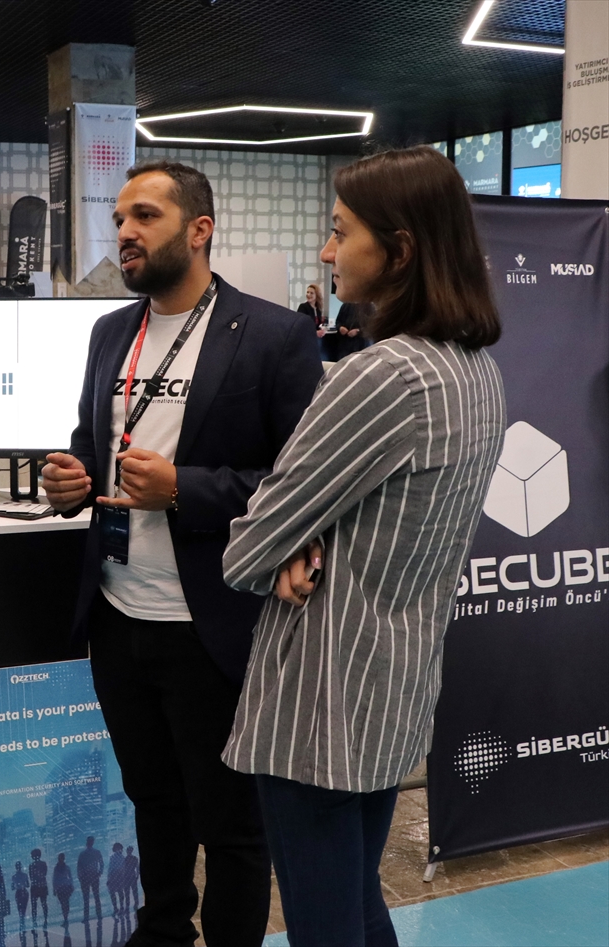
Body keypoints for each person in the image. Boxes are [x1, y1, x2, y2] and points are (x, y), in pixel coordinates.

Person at [221, 146, 505, 946]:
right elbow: (383, 512)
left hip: (320, 700)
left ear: (401, 249)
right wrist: (303, 538)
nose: (326, 251)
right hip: (395, 686)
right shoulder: (475, 371)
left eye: (341, 231)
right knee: (355, 905)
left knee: (327, 923)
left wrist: (287, 543)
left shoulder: (379, 376)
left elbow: (248, 547)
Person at [41, 160, 322, 947]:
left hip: (215, 625)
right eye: (120, 219)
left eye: (145, 216)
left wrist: (184, 489)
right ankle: (162, 931)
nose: (125, 232)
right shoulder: (110, 332)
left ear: (199, 230)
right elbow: (91, 443)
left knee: (231, 825)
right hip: (118, 615)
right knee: (152, 800)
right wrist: (70, 479)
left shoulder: (274, 335)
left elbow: (302, 482)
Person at [76, 836, 103, 922]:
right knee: (96, 896)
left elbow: (79, 867)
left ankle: (86, 917)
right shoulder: (97, 852)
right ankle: (99, 915)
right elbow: (101, 863)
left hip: (85, 878)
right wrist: (99, 873)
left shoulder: (82, 854)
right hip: (94, 876)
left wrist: (80, 877)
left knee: (86, 898)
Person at [28, 848, 49, 928]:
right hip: (42, 885)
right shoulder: (43, 864)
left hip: (35, 887)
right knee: (44, 903)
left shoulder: (31, 866)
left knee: (34, 905)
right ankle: (45, 919)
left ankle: (34, 921)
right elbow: (45, 873)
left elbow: (31, 877)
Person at [53, 853, 74, 925]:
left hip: (61, 887)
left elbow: (54, 879)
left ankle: (65, 918)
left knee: (63, 903)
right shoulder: (66, 867)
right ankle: (66, 918)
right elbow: (70, 878)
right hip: (65, 887)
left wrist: (54, 888)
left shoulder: (57, 868)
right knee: (65, 903)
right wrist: (71, 885)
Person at [107, 842, 125, 917]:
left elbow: (110, 869)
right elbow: (123, 868)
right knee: (119, 892)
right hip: (119, 876)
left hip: (114, 876)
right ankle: (120, 907)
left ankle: (116, 908)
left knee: (113, 892)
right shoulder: (122, 857)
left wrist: (109, 878)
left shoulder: (113, 857)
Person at [12, 860, 30, 927]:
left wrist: (17, 885)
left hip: (18, 892)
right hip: (24, 892)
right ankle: (23, 920)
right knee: (24, 907)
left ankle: (21, 920)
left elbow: (12, 887)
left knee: (19, 907)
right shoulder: (25, 875)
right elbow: (28, 885)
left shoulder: (14, 877)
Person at [122, 846, 140, 913]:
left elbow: (123, 869)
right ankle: (136, 904)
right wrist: (137, 875)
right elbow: (137, 868)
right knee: (134, 891)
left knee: (127, 892)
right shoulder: (134, 858)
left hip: (127, 877)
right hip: (132, 876)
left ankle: (128, 905)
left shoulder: (125, 859)